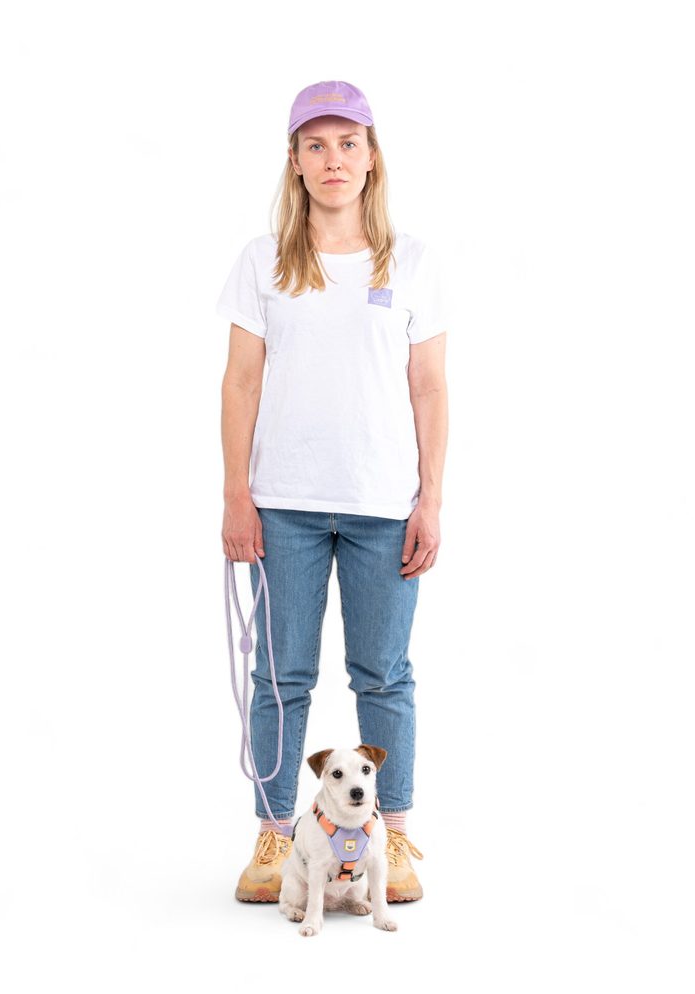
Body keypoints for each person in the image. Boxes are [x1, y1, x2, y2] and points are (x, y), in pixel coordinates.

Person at [217, 80, 448, 904]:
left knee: (383, 675)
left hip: (384, 505)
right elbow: (241, 382)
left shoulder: (410, 261)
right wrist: (236, 495)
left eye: (348, 143)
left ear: (372, 156)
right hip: (284, 503)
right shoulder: (264, 262)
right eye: (315, 145)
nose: (333, 159)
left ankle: (392, 835)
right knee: (280, 678)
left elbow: (429, 386)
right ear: (295, 161)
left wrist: (430, 500)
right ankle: (275, 837)